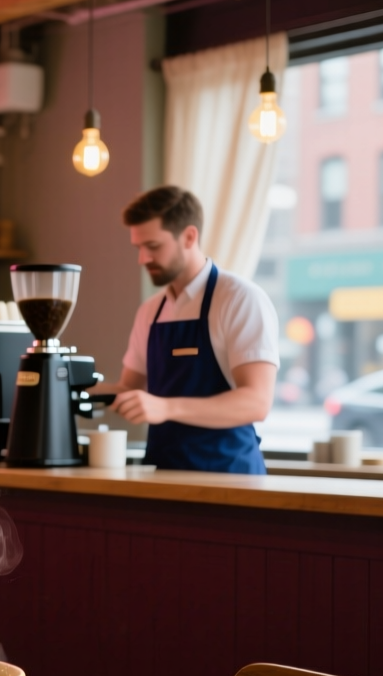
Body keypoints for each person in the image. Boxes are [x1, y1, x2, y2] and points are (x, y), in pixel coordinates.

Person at [106, 185, 279, 474]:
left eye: (153, 246)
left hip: (232, 481)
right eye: (139, 248)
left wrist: (166, 408)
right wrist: (67, 389)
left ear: (189, 237)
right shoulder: (150, 310)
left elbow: (257, 402)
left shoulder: (239, 298)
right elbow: (129, 389)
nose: (142, 259)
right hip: (163, 478)